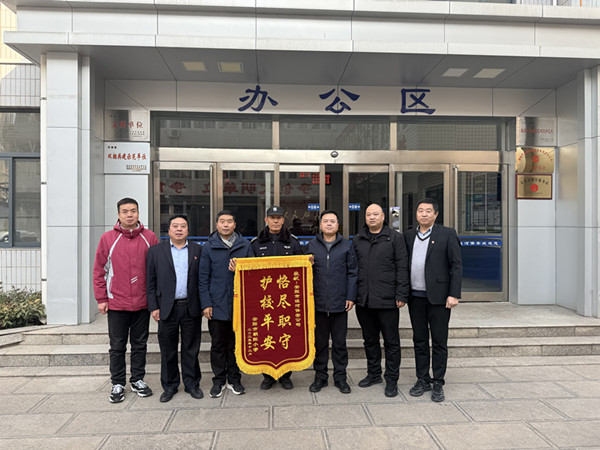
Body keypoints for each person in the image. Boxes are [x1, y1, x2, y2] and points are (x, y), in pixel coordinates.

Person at [93, 197, 159, 403]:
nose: (130, 215)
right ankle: (118, 383)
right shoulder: (108, 239)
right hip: (117, 303)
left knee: (140, 345)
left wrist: (155, 301)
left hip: (142, 302)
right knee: (117, 346)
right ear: (118, 215)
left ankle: (138, 379)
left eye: (133, 211)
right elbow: (99, 271)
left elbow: (157, 270)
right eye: (125, 211)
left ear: (138, 213)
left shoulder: (150, 237)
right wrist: (101, 298)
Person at [404, 198, 462, 403]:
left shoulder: (447, 234)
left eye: (428, 211)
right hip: (415, 297)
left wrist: (454, 294)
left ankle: (438, 381)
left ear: (436, 215)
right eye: (420, 210)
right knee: (419, 340)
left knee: (439, 341)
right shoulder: (408, 236)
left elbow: (456, 265)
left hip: (439, 298)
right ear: (416, 214)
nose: (424, 214)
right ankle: (422, 379)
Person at [352, 202, 409, 398]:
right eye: (369, 214)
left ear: (383, 217)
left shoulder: (395, 238)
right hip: (364, 300)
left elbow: (402, 267)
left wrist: (402, 294)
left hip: (388, 300)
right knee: (370, 340)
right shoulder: (358, 239)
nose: (372, 217)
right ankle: (374, 374)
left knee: (391, 342)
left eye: (375, 214)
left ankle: (391, 379)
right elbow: (352, 269)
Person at [146, 214, 203, 402]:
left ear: (188, 229)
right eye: (175, 226)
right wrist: (153, 306)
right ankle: (170, 386)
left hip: (191, 307)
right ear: (168, 230)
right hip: (166, 308)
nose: (179, 229)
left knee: (191, 348)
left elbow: (202, 279)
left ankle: (192, 384)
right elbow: (150, 281)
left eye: (183, 226)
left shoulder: (197, 250)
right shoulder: (155, 251)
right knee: (167, 349)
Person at [199, 210, 253, 398]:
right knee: (218, 345)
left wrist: (241, 269)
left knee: (236, 344)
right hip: (217, 305)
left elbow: (255, 274)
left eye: (229, 221)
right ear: (217, 224)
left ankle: (235, 379)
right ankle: (219, 380)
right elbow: (202, 279)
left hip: (239, 306)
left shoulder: (245, 245)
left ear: (235, 225)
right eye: (222, 221)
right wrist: (206, 304)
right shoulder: (208, 247)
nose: (225, 225)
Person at [251, 205, 303, 390]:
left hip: (285, 301)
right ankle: (268, 375)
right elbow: (249, 273)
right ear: (266, 220)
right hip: (264, 301)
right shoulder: (255, 243)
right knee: (266, 337)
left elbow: (301, 271)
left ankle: (286, 375)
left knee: (286, 337)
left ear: (283, 220)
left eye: (278, 218)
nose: (275, 221)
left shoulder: (293, 242)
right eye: (272, 218)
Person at [306, 210, 357, 394]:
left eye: (332, 221)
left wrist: (350, 296)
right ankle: (320, 377)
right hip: (318, 304)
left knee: (339, 343)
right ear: (320, 225)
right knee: (319, 344)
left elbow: (352, 272)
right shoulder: (312, 245)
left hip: (339, 303)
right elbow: (304, 274)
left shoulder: (346, 245)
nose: (329, 224)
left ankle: (340, 377)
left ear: (338, 225)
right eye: (325, 221)